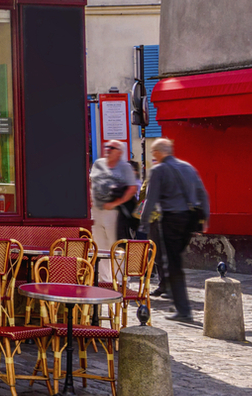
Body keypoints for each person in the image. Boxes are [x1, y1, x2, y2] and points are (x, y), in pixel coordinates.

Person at [140, 138, 208, 322]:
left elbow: (150, 199)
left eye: (154, 153)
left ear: (159, 153)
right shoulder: (187, 167)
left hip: (170, 219)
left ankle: (183, 310)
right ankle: (180, 304)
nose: (154, 156)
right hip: (189, 219)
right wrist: (205, 219)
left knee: (173, 263)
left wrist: (144, 222)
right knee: (175, 261)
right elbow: (202, 193)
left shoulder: (158, 170)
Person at [89, 140, 141, 280]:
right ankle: (104, 278)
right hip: (97, 211)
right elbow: (92, 183)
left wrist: (115, 203)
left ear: (119, 152)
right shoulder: (98, 164)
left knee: (115, 245)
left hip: (114, 212)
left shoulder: (125, 167)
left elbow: (132, 189)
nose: (108, 149)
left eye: (112, 148)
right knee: (99, 245)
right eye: (106, 147)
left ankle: (119, 279)